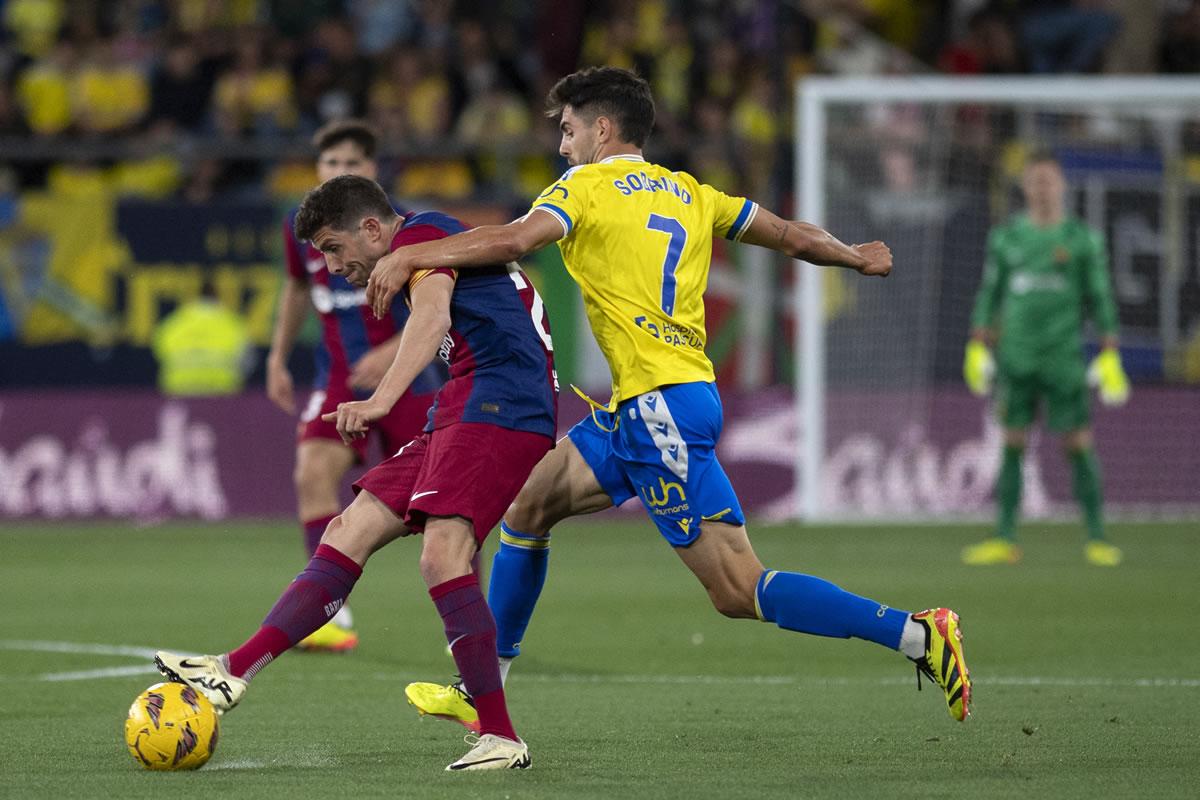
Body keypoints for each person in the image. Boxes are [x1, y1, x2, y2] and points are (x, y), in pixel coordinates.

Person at [362, 67, 971, 730]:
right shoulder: (691, 192)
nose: (563, 146)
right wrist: (853, 256)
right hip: (649, 406)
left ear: (601, 128)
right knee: (529, 504)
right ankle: (482, 689)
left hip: (659, 410)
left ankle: (917, 636)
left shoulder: (585, 186)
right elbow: (792, 234)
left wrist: (408, 259)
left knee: (739, 590)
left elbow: (513, 239)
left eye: (568, 131)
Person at [154, 174, 558, 771]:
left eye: (334, 248)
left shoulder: (423, 237)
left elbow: (433, 317)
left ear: (373, 228)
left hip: (503, 400)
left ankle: (500, 735)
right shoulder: (420, 249)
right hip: (468, 403)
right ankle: (231, 671)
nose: (332, 265)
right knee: (349, 528)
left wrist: (382, 400)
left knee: (444, 553)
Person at [267, 119, 446, 652]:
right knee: (311, 473)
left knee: (442, 503)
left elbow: (439, 306)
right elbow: (296, 288)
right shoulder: (302, 233)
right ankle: (330, 615)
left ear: (370, 172)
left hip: (410, 377)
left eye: (350, 164)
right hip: (338, 378)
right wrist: (277, 356)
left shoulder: (403, 231)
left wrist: (392, 353)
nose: (338, 172)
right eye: (329, 164)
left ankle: (463, 623)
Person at [961, 151, 1128, 567]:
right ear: (1025, 187)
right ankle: (1004, 537)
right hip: (1016, 358)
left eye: (1049, 181)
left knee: (1077, 443)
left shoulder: (1080, 239)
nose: (1042, 188)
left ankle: (1096, 536)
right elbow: (990, 292)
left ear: (1062, 186)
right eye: (1034, 181)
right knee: (1012, 443)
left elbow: (1099, 295)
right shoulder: (1007, 238)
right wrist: (978, 342)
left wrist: (1110, 349)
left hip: (1061, 358)